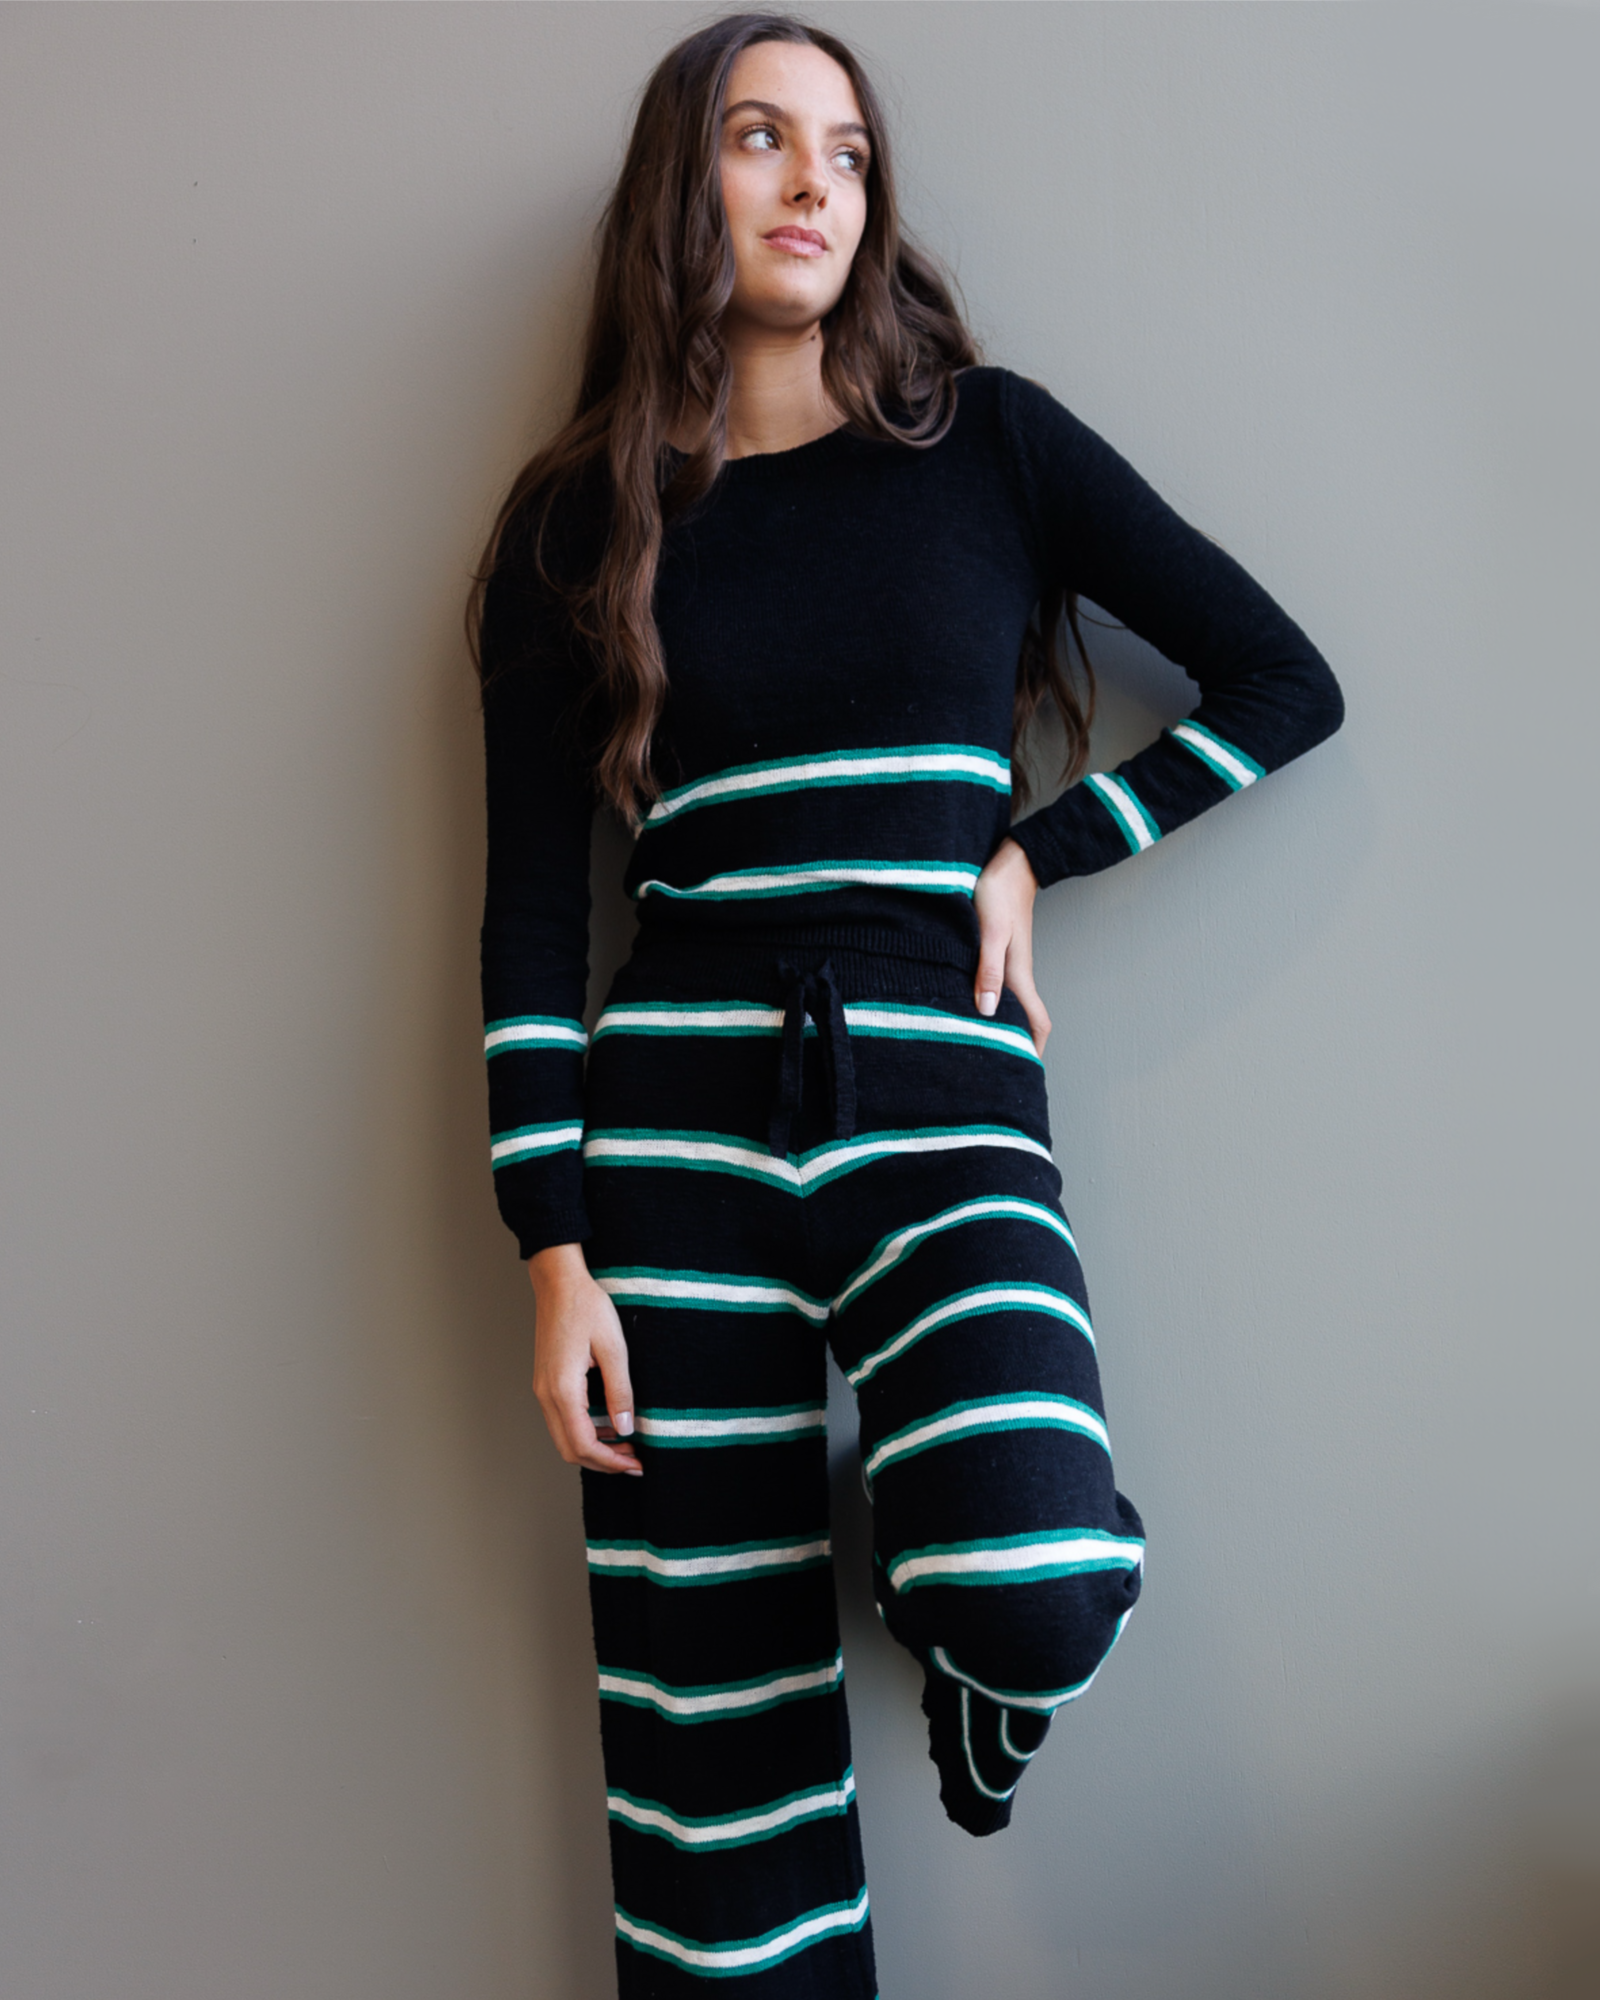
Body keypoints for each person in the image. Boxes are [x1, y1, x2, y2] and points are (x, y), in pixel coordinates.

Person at [470, 13, 1343, 1994]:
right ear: (677, 185)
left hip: (941, 1105)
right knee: (712, 1772)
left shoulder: (992, 448)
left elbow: (1280, 678)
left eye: (847, 153)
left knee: (1033, 1573)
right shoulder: (571, 527)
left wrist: (1044, 847)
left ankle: (976, 1690)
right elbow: (528, 919)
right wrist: (551, 1248)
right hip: (670, 1142)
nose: (812, 183)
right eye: (760, 138)